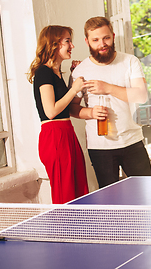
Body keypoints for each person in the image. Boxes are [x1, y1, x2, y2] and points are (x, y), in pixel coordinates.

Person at [70, 17, 151, 188]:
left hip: (132, 141)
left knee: (147, 194)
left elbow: (141, 95)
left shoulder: (130, 61)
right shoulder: (80, 71)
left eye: (106, 38)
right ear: (87, 41)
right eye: (95, 40)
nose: (102, 44)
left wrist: (107, 88)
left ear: (113, 36)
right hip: (100, 147)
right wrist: (90, 113)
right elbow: (72, 108)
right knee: (109, 202)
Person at [27, 25, 89, 204]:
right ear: (54, 44)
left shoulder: (55, 72)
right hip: (55, 137)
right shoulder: (43, 72)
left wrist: (71, 78)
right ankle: (65, 231)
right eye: (67, 41)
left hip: (66, 133)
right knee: (65, 195)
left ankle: (79, 230)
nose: (72, 45)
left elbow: (63, 105)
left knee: (78, 190)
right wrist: (75, 89)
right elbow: (51, 111)